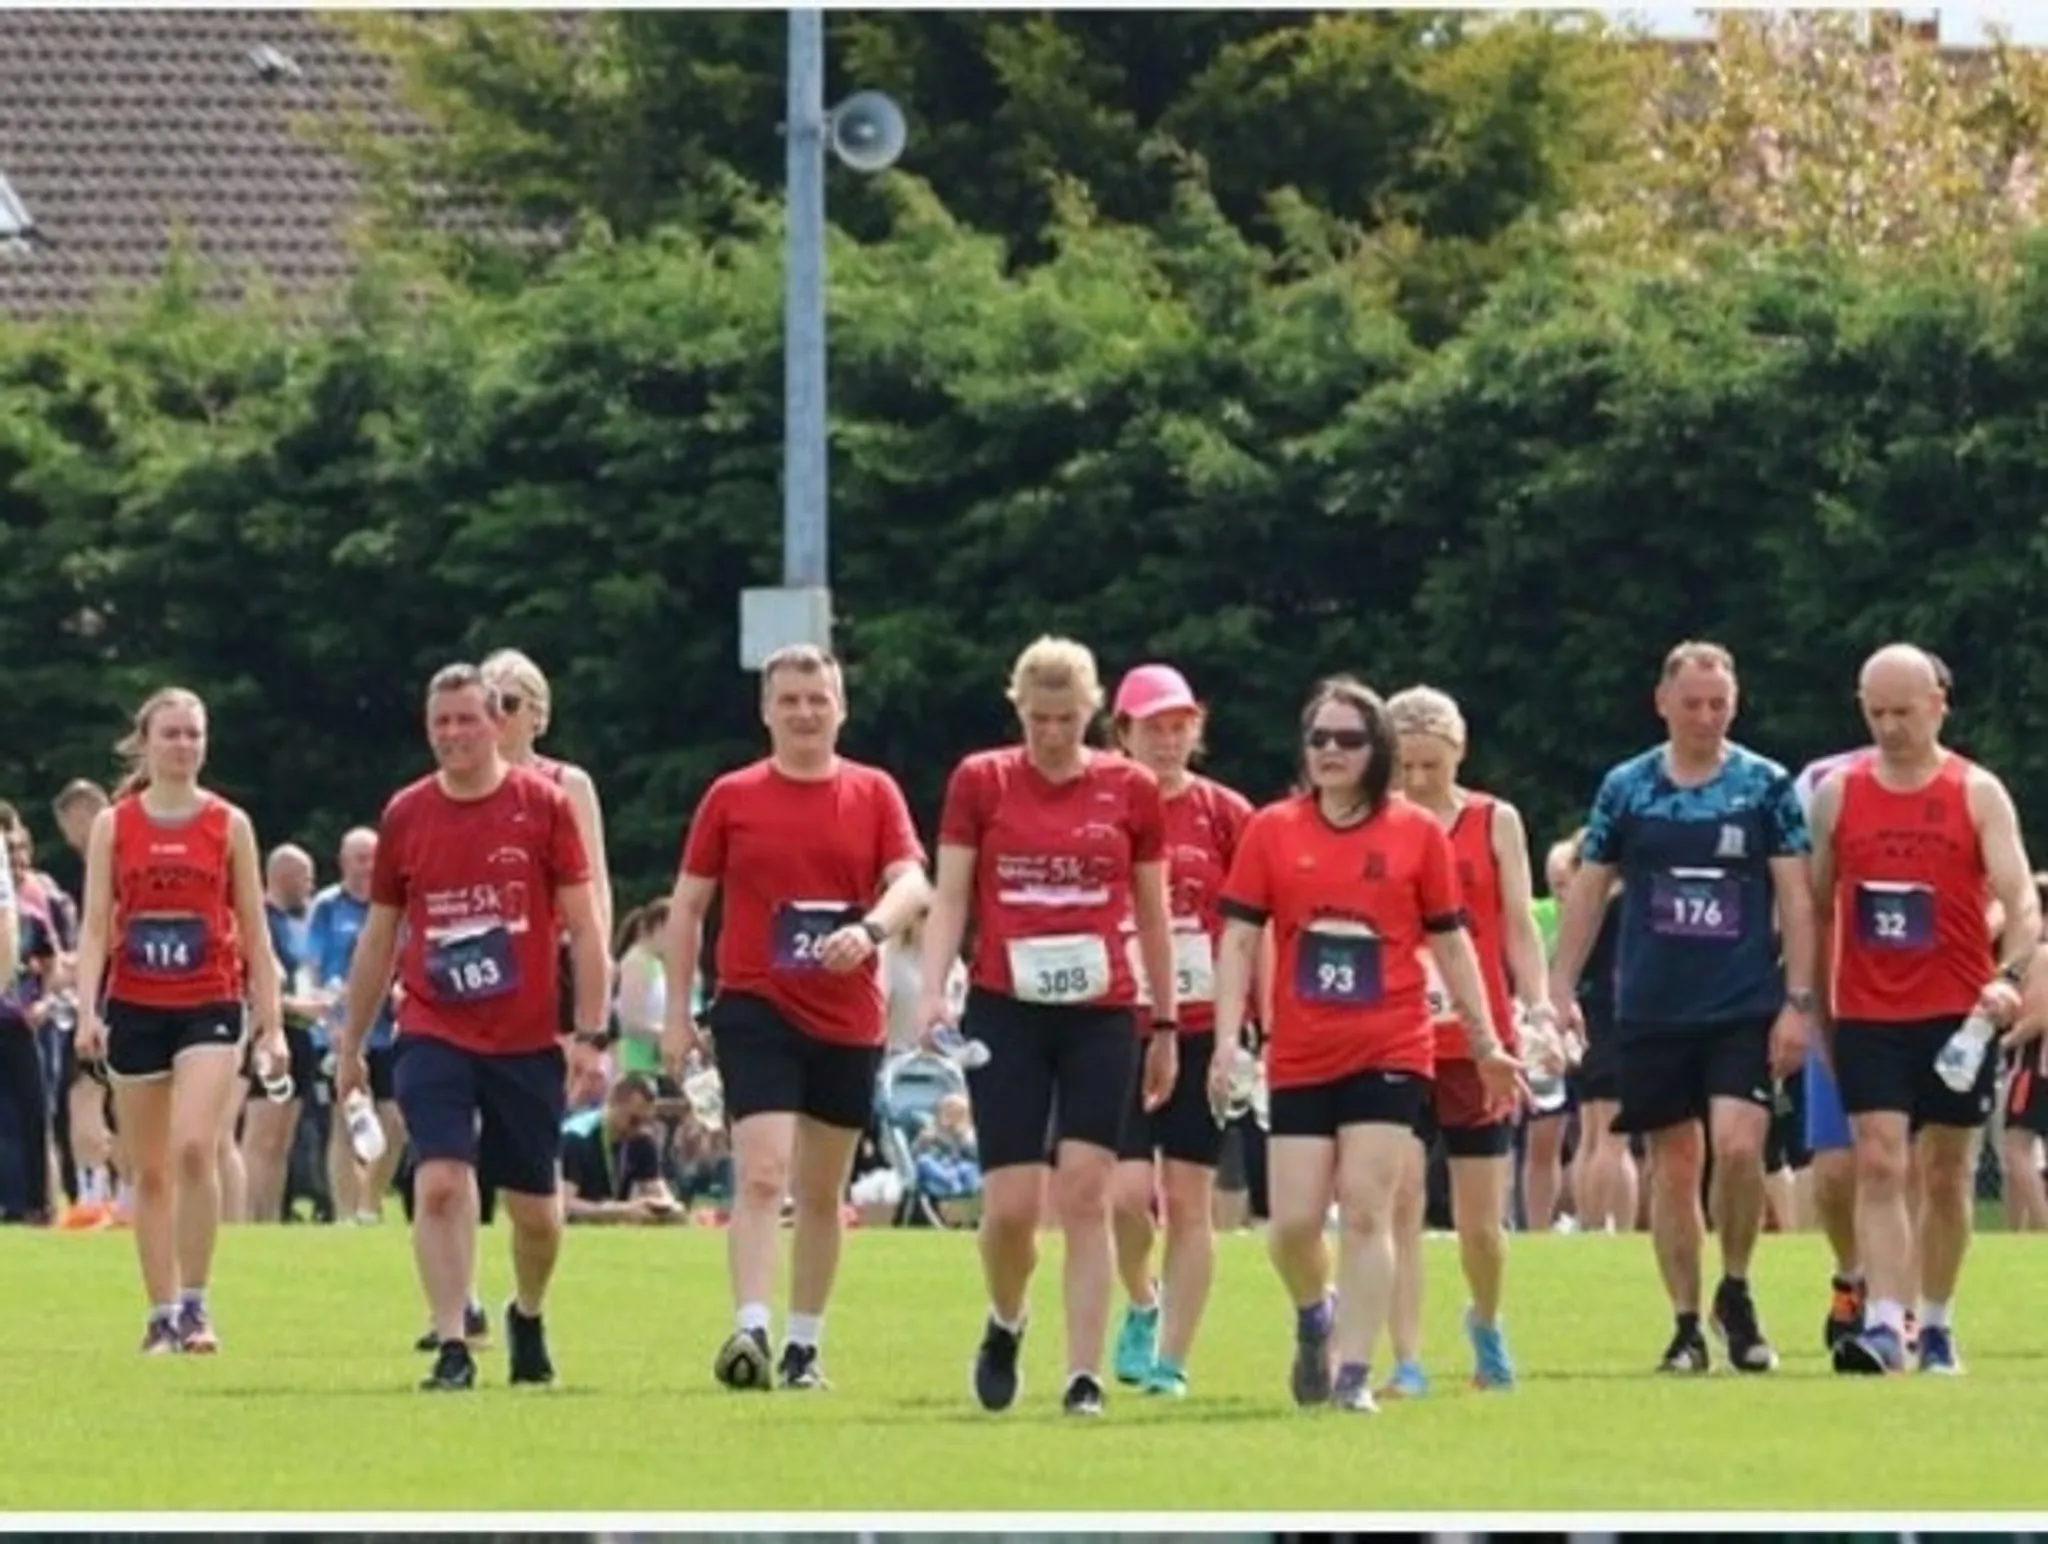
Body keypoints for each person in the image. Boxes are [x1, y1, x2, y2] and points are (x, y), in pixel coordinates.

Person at [1207, 675, 1519, 1414]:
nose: (1331, 752)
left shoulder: (1415, 834)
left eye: (1348, 739)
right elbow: (1241, 939)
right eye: (1319, 738)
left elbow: (1453, 945)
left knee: (1369, 1206)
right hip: (1302, 1052)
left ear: (1376, 749)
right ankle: (1316, 1313)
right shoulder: (1272, 830)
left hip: (1391, 1046)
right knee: (1290, 1228)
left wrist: (1486, 1041)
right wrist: (1227, 1040)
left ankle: (1354, 1374)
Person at [918, 635, 1180, 1417]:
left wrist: (1164, 1022)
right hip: (1006, 1006)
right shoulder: (982, 781)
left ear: (1092, 713)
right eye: (1038, 719)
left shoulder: (1130, 789)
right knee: (1009, 1210)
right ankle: (1006, 1320)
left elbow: (1154, 911)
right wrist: (933, 992)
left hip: (1102, 1010)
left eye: (1067, 719)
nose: (1053, 734)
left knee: (1086, 1192)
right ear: (1018, 710)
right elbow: (952, 896)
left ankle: (1083, 1374)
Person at [659, 642, 932, 1392]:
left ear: (840, 707)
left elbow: (914, 882)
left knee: (820, 1190)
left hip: (847, 1017)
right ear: (766, 711)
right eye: (790, 700)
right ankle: (749, 1329)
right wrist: (680, 1014)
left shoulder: (875, 793)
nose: (805, 712)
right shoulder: (732, 797)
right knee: (762, 1171)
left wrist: (871, 930)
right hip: (755, 1003)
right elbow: (687, 906)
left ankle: (804, 1346)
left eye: (818, 698)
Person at [334, 662, 610, 1392]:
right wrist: (350, 1043)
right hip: (432, 1023)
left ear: (498, 724)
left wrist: (589, 1033)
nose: (453, 734)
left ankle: (528, 1312)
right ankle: (453, 1340)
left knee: (537, 1215)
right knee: (442, 1183)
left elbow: (584, 926)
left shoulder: (544, 806)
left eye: (467, 719)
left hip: (525, 1035)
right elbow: (379, 937)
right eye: (440, 723)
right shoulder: (406, 815)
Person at [1547, 641, 1815, 1375]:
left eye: (1718, 704)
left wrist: (1800, 1002)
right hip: (1654, 1005)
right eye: (1692, 703)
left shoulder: (1764, 786)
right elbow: (1591, 888)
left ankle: (1736, 1284)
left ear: (1735, 704)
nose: (1705, 717)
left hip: (1743, 1001)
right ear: (1662, 703)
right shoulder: (1628, 787)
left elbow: (1796, 895)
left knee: (1737, 1147)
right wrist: (1559, 987)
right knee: (1673, 1164)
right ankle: (1687, 1323)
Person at [1809, 643, 2038, 1376]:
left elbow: (2021, 898)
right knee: (1878, 1159)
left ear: (1938, 704)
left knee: (1945, 1170)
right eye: (1875, 712)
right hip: (1868, 1009)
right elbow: (1812, 907)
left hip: (1957, 1012)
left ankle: (1936, 1320)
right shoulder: (1837, 795)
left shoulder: (1976, 792)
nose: (1889, 727)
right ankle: (1884, 1322)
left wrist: (2010, 975)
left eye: (1903, 712)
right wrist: (1809, 1004)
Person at [70, 687, 285, 1352]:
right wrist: (86, 1011)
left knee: (196, 1146)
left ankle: (196, 1303)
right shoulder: (117, 825)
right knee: (149, 1166)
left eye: (195, 734)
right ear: (147, 742)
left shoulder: (229, 825)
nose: (185, 745)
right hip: (136, 1005)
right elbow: (97, 926)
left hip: (210, 1002)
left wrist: (272, 1025)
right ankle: (160, 1312)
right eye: (173, 734)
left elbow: (255, 930)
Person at [1381, 685, 1557, 1397]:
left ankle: (1485, 1322)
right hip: (1395, 1037)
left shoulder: (1494, 821)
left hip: (1480, 1042)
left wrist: (1538, 1005)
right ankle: (1404, 1359)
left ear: (1459, 753)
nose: (1419, 782)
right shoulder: (1373, 822)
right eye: (1406, 767)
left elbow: (1517, 921)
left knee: (1481, 1223)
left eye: (1433, 765)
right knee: (1397, 1206)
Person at [1099, 663, 1253, 1400]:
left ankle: (1173, 1360)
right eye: (1152, 727)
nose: (1167, 740)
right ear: (1121, 732)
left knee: (1191, 1199)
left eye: (1179, 725)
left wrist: (1252, 1028)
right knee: (1127, 1194)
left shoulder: (1228, 815)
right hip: (1116, 1025)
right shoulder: (1098, 804)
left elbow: (1260, 927)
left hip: (1202, 1026)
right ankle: (1141, 1300)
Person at [307, 829, 405, 1226]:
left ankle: (371, 1202)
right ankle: (347, 1213)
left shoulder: (395, 904)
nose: (368, 866)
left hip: (387, 1031)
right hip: (339, 1032)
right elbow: (311, 969)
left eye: (374, 857)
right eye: (360, 858)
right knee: (345, 1121)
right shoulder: (328, 906)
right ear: (344, 862)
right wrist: (327, 1018)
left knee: (394, 1122)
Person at [238, 844, 325, 1223]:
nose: (310, 884)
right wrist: (293, 1007)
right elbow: (252, 983)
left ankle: (270, 1217)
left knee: (282, 1139)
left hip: (302, 1036)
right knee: (260, 1137)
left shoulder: (300, 922)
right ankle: (246, 1215)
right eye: (304, 875)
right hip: (269, 1034)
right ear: (283, 874)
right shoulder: (261, 920)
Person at [559, 1072, 681, 1224]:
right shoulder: (577, 1137)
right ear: (612, 1103)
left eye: (647, 1121)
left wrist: (670, 1209)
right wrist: (621, 1211)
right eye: (634, 1120)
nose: (639, 1129)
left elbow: (660, 1195)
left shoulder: (642, 1140)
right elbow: (563, 1205)